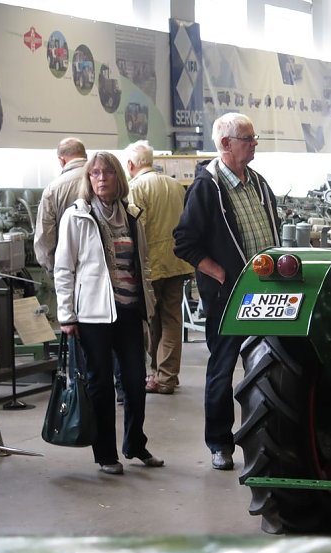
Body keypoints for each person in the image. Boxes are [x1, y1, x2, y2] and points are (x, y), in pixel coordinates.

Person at [173, 113, 280, 471]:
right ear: (225, 144)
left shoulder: (259, 184)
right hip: (228, 296)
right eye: (247, 138)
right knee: (222, 368)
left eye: (254, 138)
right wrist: (219, 273)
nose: (253, 144)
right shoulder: (206, 188)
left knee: (275, 361)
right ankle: (220, 443)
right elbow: (185, 242)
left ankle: (274, 432)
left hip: (268, 293)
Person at [54, 151, 163, 475]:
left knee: (134, 381)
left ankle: (135, 444)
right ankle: (105, 455)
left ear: (119, 177)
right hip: (93, 315)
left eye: (108, 173)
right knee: (100, 384)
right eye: (95, 174)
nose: (101, 178)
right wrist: (66, 315)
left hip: (129, 312)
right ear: (89, 180)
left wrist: (149, 303)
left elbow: (141, 262)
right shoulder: (77, 216)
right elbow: (64, 268)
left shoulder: (131, 215)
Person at [125, 140, 192, 396]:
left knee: (151, 320)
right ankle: (167, 377)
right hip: (177, 262)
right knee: (173, 319)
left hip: (150, 265)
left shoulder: (136, 188)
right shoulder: (175, 185)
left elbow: (135, 228)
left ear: (131, 164)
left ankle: (156, 374)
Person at [34, 137, 87, 272]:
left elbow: (45, 238)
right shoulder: (105, 181)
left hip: (69, 269)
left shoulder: (53, 189)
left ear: (61, 160)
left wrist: (54, 270)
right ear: (85, 155)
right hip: (104, 269)